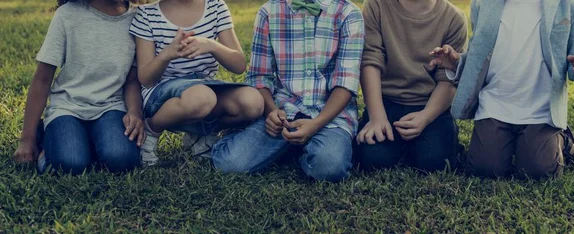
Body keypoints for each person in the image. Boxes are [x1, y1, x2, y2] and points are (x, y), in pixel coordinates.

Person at [430, 0, 574, 179]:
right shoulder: (483, 3)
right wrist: (456, 63)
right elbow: (479, 56)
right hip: (495, 102)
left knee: (538, 172)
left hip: (541, 108)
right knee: (485, 169)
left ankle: (563, 141)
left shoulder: (573, 2)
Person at [210, 0, 365, 182]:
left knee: (329, 167)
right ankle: (276, 144)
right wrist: (272, 112)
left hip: (330, 117)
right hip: (283, 113)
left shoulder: (348, 13)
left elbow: (346, 83)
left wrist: (316, 124)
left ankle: (297, 150)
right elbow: (260, 76)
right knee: (229, 164)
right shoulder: (268, 12)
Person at [12, 0, 144, 175]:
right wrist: (27, 140)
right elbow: (42, 79)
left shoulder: (138, 18)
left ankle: (84, 141)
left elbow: (132, 80)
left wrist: (135, 112)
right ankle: (47, 140)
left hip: (111, 106)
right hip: (67, 108)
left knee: (122, 159)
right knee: (70, 163)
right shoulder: (68, 14)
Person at [129, 0, 264, 166]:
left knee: (252, 102)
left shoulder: (215, 7)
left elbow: (239, 65)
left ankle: (203, 134)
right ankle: (152, 129)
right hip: (161, 94)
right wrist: (167, 54)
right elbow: (146, 79)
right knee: (201, 97)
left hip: (205, 90)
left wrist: (212, 45)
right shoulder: (147, 14)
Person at [355, 0, 467, 172]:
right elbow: (370, 62)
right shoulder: (376, 6)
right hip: (386, 102)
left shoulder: (454, 18)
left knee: (435, 163)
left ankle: (432, 142)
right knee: (372, 160)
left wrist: (426, 116)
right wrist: (377, 117)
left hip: (430, 105)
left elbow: (448, 80)